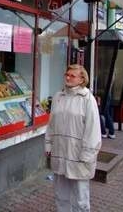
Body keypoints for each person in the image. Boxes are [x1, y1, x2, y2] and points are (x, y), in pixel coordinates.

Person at [45, 64, 102, 211]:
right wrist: (48, 145)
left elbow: (93, 129)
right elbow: (51, 123)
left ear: (82, 79)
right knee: (60, 195)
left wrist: (88, 154)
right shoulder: (59, 96)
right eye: (67, 75)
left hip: (78, 155)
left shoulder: (87, 99)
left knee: (80, 198)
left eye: (72, 75)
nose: (68, 78)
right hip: (59, 152)